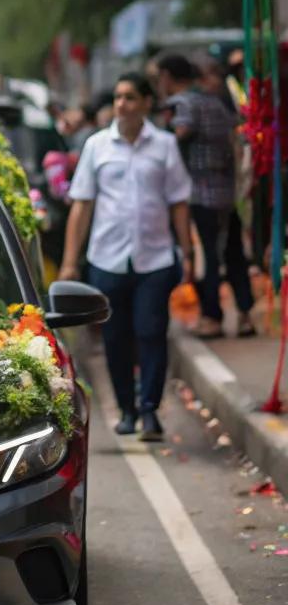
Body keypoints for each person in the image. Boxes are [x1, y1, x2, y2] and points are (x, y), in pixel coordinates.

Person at [60, 73, 193, 441]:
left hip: (155, 258)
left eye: (131, 97)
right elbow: (82, 205)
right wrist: (71, 260)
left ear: (147, 103)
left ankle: (150, 410)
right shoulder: (97, 146)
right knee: (116, 337)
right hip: (107, 259)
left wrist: (188, 251)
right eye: (118, 97)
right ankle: (127, 410)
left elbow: (178, 202)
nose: (122, 104)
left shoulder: (164, 146)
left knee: (151, 332)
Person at [154, 52, 255, 339]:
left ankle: (212, 316)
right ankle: (246, 315)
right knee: (234, 253)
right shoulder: (215, 102)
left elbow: (180, 133)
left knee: (206, 257)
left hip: (198, 195)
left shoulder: (182, 103)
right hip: (227, 193)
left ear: (166, 77)